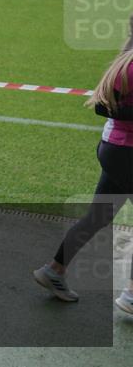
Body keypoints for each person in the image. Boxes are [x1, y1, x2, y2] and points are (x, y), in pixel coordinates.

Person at [33, 18, 133, 315]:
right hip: (127, 153)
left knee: (97, 216)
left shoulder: (123, 60)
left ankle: (54, 271)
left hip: (114, 150)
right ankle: (130, 296)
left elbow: (104, 106)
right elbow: (106, 106)